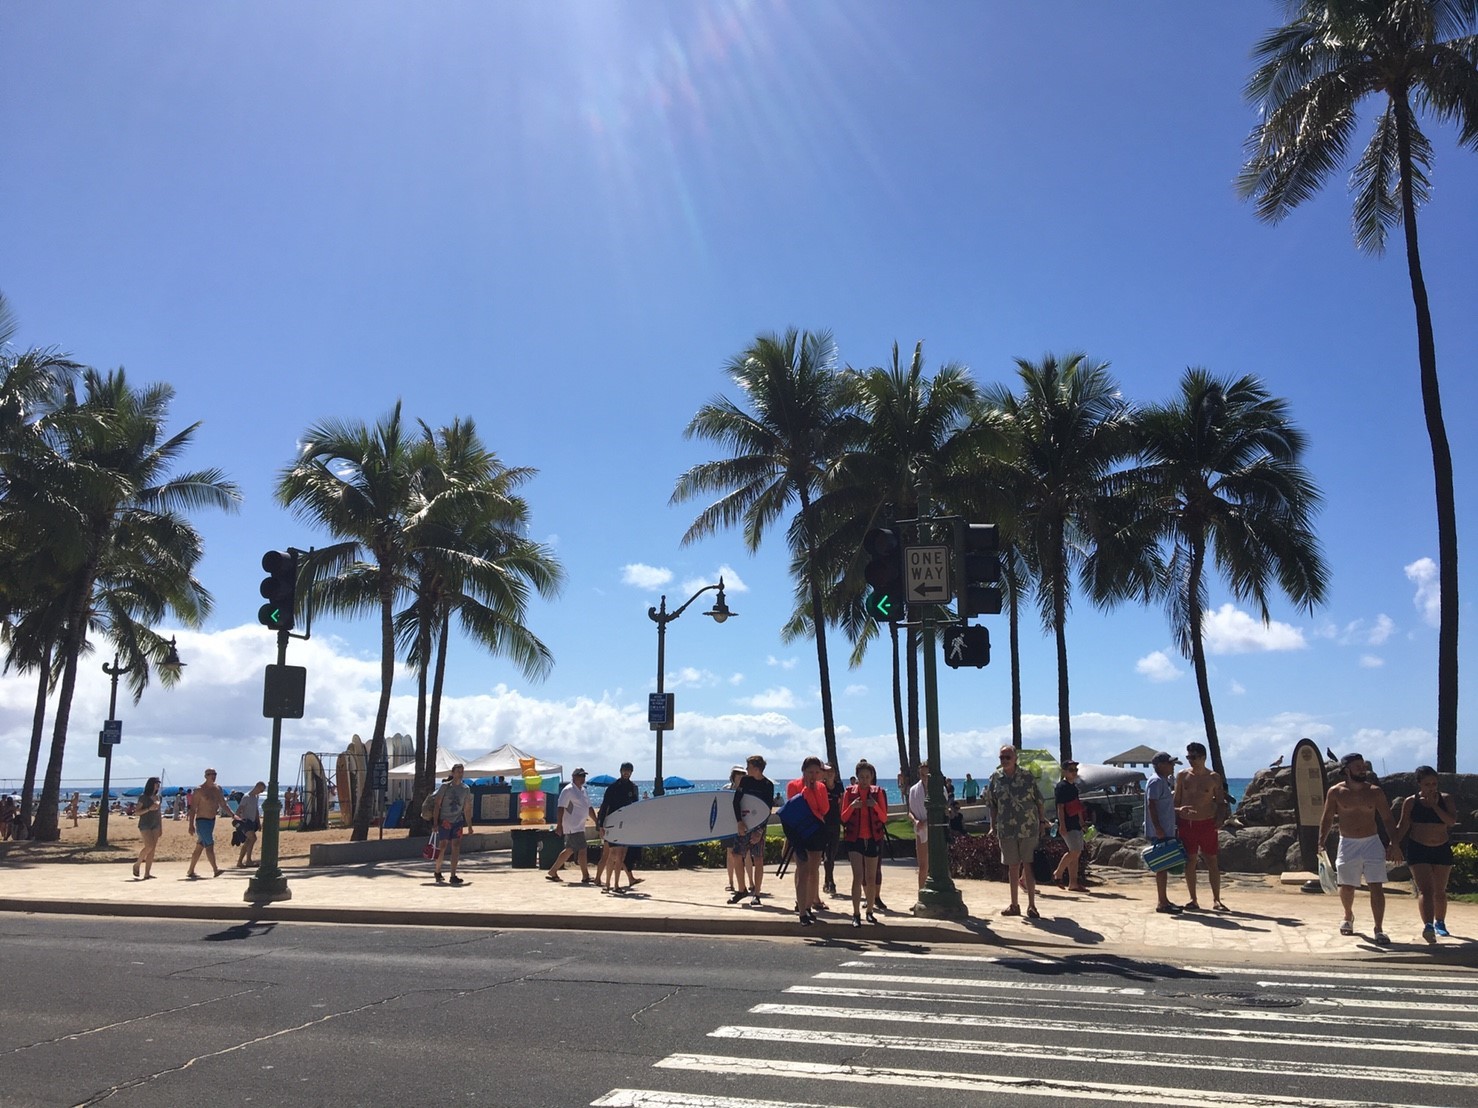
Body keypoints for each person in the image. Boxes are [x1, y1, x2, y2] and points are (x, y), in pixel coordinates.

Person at [1318, 752, 1400, 944]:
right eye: (1358, 767)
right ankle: (1348, 916)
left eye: (1364, 767)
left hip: (1371, 842)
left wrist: (1394, 843)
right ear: (1347, 770)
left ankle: (1379, 928)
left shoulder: (1375, 792)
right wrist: (1320, 842)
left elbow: (1387, 819)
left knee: (1376, 886)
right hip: (1347, 843)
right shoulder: (1336, 792)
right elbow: (1327, 817)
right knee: (1346, 886)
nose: (1363, 770)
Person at [1394, 764, 1457, 942]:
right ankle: (1428, 925)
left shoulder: (1446, 799)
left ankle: (1440, 922)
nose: (1431, 787)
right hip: (1418, 848)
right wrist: (1394, 844)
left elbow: (1451, 821)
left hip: (1441, 847)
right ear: (1420, 784)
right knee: (1425, 890)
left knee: (1440, 891)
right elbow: (1403, 825)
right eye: (1427, 784)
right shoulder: (1411, 802)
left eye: (1434, 784)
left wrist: (1435, 806)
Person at [986, 745, 1048, 918]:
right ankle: (1014, 905)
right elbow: (992, 804)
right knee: (1013, 866)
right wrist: (992, 825)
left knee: (1028, 864)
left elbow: (1039, 801)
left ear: (1015, 758)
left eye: (1008, 757)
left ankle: (1032, 906)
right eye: (1002, 757)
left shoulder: (1027, 776)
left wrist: (1042, 821)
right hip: (1006, 829)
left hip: (1028, 827)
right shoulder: (995, 778)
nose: (1004, 760)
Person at [1174, 742, 1228, 911]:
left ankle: (1217, 899)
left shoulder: (1213, 777)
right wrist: (1177, 813)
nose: (1191, 760)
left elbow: (1220, 802)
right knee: (1190, 861)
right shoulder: (1183, 776)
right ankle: (1193, 899)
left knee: (1212, 860)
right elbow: (1176, 801)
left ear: (1203, 757)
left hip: (1207, 823)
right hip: (1187, 824)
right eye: (1188, 757)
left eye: (1194, 757)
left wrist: (1220, 819)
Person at [840, 759, 888, 926]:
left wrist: (874, 806)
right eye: (862, 777)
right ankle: (855, 914)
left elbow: (883, 818)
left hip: (873, 839)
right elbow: (844, 818)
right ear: (857, 777)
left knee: (871, 876)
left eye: (868, 777)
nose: (865, 780)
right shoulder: (849, 793)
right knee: (858, 876)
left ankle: (869, 911)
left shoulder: (878, 793)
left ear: (872, 777)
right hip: (855, 839)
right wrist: (853, 806)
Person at [785, 756, 830, 926]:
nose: (813, 775)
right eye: (810, 772)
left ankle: (809, 905)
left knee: (813, 871)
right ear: (803, 771)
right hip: (799, 833)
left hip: (816, 831)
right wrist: (805, 791)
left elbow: (823, 809)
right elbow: (793, 808)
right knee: (802, 870)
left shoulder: (821, 788)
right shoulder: (793, 786)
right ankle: (802, 910)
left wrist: (813, 791)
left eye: (816, 772)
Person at [731, 754, 775, 907]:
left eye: (749, 767)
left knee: (758, 858)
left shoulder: (768, 785)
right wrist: (739, 822)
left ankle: (757, 894)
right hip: (744, 823)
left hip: (758, 827)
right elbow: (736, 801)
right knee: (736, 855)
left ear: (756, 768)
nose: (746, 769)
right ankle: (741, 889)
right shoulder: (745, 781)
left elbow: (767, 809)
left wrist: (760, 831)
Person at [1144, 751, 1182, 913]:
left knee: (1164, 865)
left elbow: (1161, 805)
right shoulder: (1156, 782)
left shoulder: (1162, 782)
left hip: (1165, 829)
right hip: (1161, 831)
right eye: (1170, 763)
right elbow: (1151, 804)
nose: (1172, 766)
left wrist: (1178, 810)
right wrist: (1158, 827)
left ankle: (1164, 899)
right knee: (1161, 865)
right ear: (1160, 765)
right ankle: (1161, 902)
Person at [596, 762, 639, 894]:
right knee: (613, 854)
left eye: (629, 771)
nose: (626, 773)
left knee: (621, 855)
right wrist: (600, 824)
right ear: (620, 771)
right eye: (625, 770)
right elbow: (604, 807)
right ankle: (610, 884)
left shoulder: (633, 787)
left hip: (626, 824)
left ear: (632, 772)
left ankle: (614, 885)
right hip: (612, 822)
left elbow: (636, 807)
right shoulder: (613, 787)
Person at [429, 763, 473, 886]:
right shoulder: (445, 787)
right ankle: (437, 870)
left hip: (457, 821)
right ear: (453, 773)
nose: (460, 774)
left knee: (456, 846)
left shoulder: (465, 789)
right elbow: (437, 804)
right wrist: (435, 822)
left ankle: (453, 874)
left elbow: (467, 808)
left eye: (461, 771)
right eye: (458, 771)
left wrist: (469, 825)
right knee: (443, 845)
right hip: (445, 821)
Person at [545, 768, 594, 883]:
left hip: (579, 825)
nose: (583, 778)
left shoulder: (583, 791)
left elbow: (589, 807)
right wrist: (559, 825)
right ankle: (585, 875)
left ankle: (553, 871)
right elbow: (561, 807)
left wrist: (596, 821)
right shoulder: (568, 790)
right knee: (582, 849)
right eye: (580, 776)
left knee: (570, 850)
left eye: (584, 776)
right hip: (572, 826)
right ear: (574, 777)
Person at [186, 769, 234, 879]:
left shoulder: (217, 789)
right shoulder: (199, 790)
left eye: (214, 774)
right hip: (202, 821)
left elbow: (223, 804)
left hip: (211, 821)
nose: (213, 776)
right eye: (210, 774)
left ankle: (190, 870)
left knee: (200, 846)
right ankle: (215, 869)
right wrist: (190, 825)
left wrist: (233, 815)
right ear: (205, 776)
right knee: (209, 845)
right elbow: (193, 809)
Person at [1052, 761, 1089, 892]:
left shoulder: (1074, 787)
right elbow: (1060, 807)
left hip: (1076, 823)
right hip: (1067, 823)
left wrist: (1082, 822)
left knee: (1076, 853)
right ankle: (1058, 873)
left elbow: (1077, 806)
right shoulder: (1061, 787)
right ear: (1064, 771)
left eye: (1075, 770)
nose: (1073, 772)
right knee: (1075, 851)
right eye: (1071, 769)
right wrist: (1062, 825)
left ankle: (1073, 883)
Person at [133, 777, 163, 879]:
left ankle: (147, 873)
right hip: (145, 824)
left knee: (152, 849)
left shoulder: (158, 797)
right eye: (156, 783)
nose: (158, 784)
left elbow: (159, 813)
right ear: (151, 784)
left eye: (159, 783)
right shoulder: (143, 797)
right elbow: (137, 812)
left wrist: (161, 827)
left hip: (155, 824)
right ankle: (137, 864)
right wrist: (149, 809)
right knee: (149, 846)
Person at [907, 762, 931, 889]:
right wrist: (916, 821)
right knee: (922, 866)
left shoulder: (939, 789)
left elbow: (943, 810)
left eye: (927, 774)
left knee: (938, 865)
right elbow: (910, 812)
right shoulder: (913, 790)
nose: (925, 777)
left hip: (934, 829)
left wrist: (928, 822)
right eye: (922, 774)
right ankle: (921, 894)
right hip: (920, 829)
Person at [821, 763, 844, 896]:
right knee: (827, 855)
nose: (829, 774)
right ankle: (830, 881)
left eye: (832, 772)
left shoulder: (839, 787)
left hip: (835, 823)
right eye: (827, 772)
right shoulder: (821, 787)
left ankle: (827, 879)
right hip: (823, 824)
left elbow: (841, 803)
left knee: (832, 854)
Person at [234, 781, 266, 868]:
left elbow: (256, 810)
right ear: (257, 787)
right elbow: (240, 809)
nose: (261, 792)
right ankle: (248, 860)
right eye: (261, 790)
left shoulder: (255, 797)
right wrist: (237, 819)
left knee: (248, 841)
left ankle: (240, 861)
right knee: (253, 838)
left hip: (251, 822)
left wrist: (258, 822)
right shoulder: (246, 797)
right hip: (245, 821)